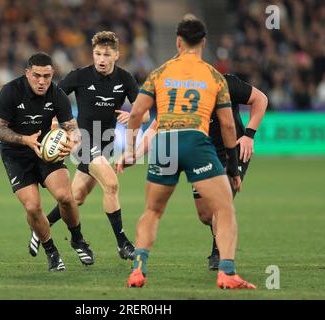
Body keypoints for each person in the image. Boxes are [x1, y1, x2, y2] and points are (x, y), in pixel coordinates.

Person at [117, 15, 256, 289]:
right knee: (224, 208)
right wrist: (231, 165)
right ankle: (226, 272)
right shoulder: (214, 76)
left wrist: (131, 151)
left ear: (178, 42)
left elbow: (136, 115)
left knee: (152, 211)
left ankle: (138, 269)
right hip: (196, 141)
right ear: (203, 42)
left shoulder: (160, 73)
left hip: (166, 142)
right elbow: (228, 124)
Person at [119, 73, 268, 270]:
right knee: (205, 214)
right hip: (203, 154)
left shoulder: (225, 83)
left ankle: (221, 257)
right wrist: (136, 154)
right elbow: (156, 127)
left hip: (234, 150)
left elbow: (260, 99)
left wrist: (249, 135)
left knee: (220, 204)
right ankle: (219, 242)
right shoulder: (179, 95)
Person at [27, 31, 149, 261]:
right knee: (111, 184)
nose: (101, 59)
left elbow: (144, 115)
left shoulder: (125, 79)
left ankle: (40, 227)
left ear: (117, 55)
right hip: (82, 140)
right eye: (97, 54)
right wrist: (55, 123)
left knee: (76, 198)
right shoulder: (80, 76)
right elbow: (52, 98)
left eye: (106, 54)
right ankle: (123, 243)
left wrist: (133, 114)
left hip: (106, 145)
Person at [0, 52, 94, 271]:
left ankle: (78, 239)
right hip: (16, 154)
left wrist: (70, 142)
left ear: (52, 74)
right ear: (27, 73)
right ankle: (52, 252)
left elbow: (72, 128)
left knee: (66, 197)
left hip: (47, 152)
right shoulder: (10, 91)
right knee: (33, 207)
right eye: (37, 75)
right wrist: (23, 140)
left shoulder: (57, 94)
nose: (42, 81)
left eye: (47, 76)